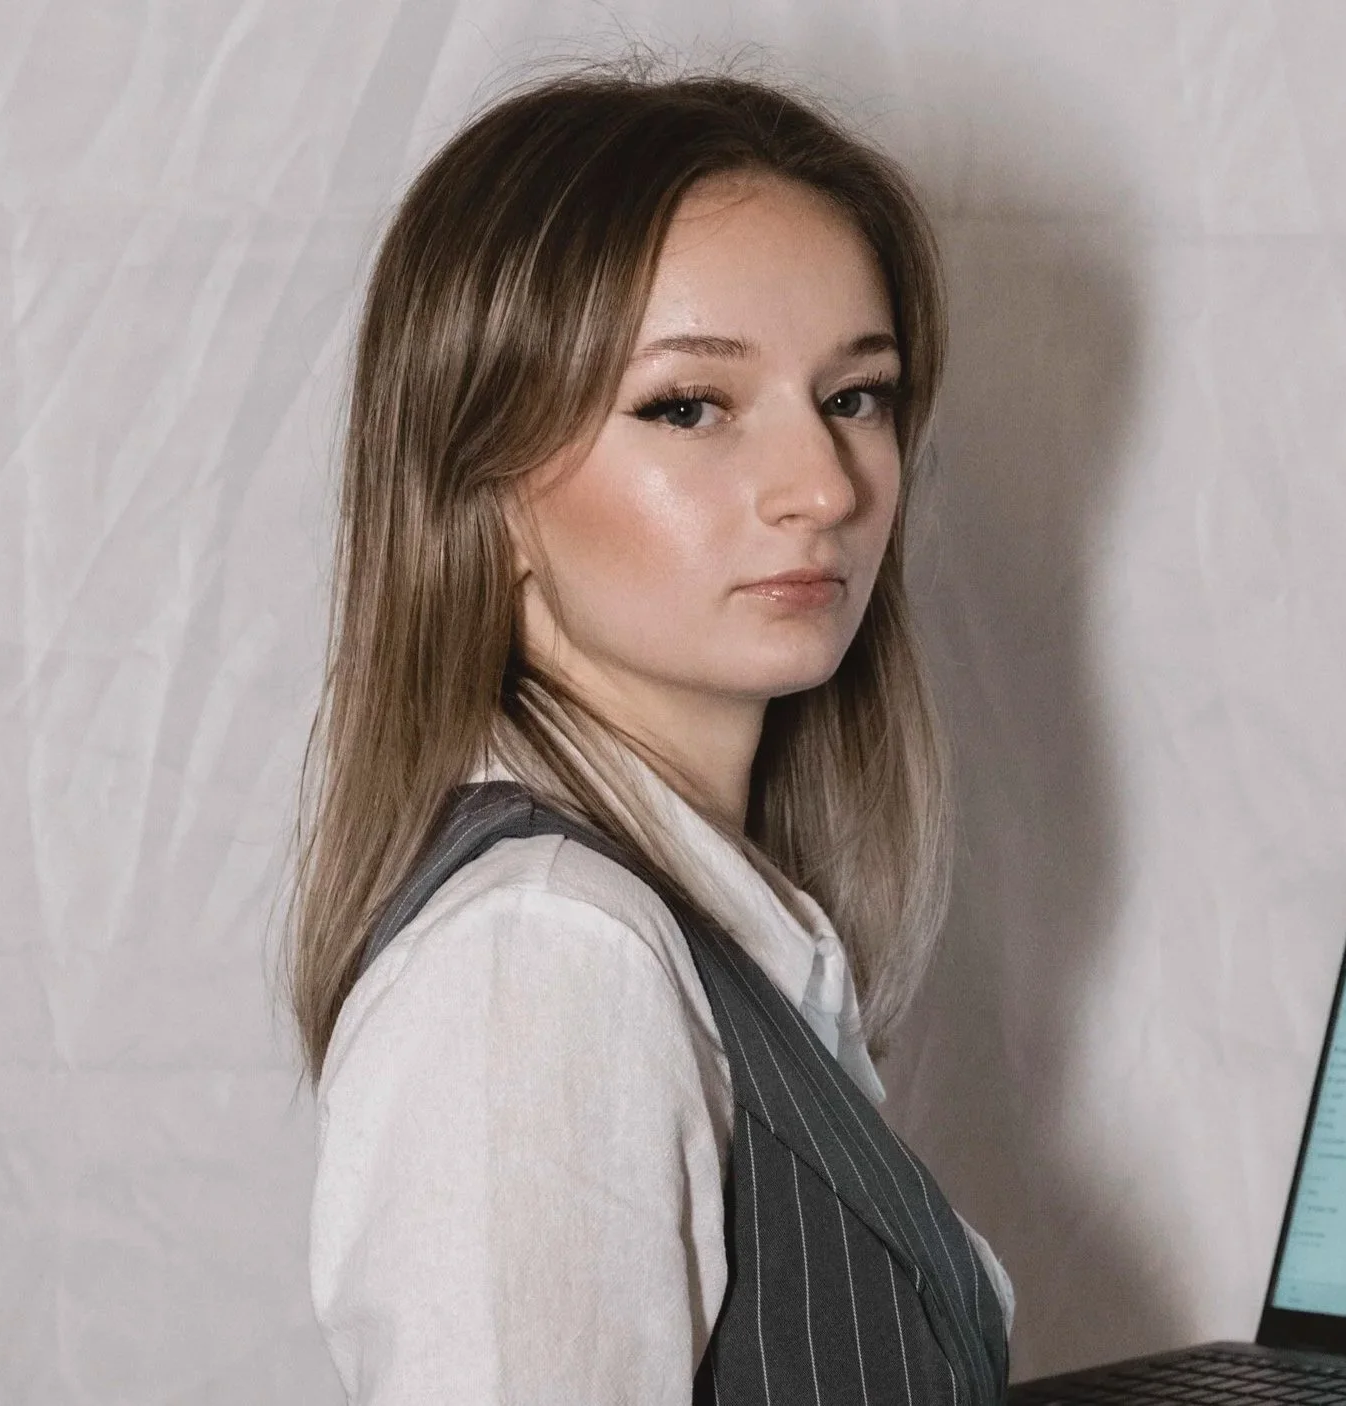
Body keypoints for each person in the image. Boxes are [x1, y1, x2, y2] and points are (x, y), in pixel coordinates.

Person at [285, 67, 1013, 1403]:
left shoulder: (706, 933)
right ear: (485, 484)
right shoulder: (550, 957)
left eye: (856, 395)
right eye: (689, 406)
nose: (825, 486)